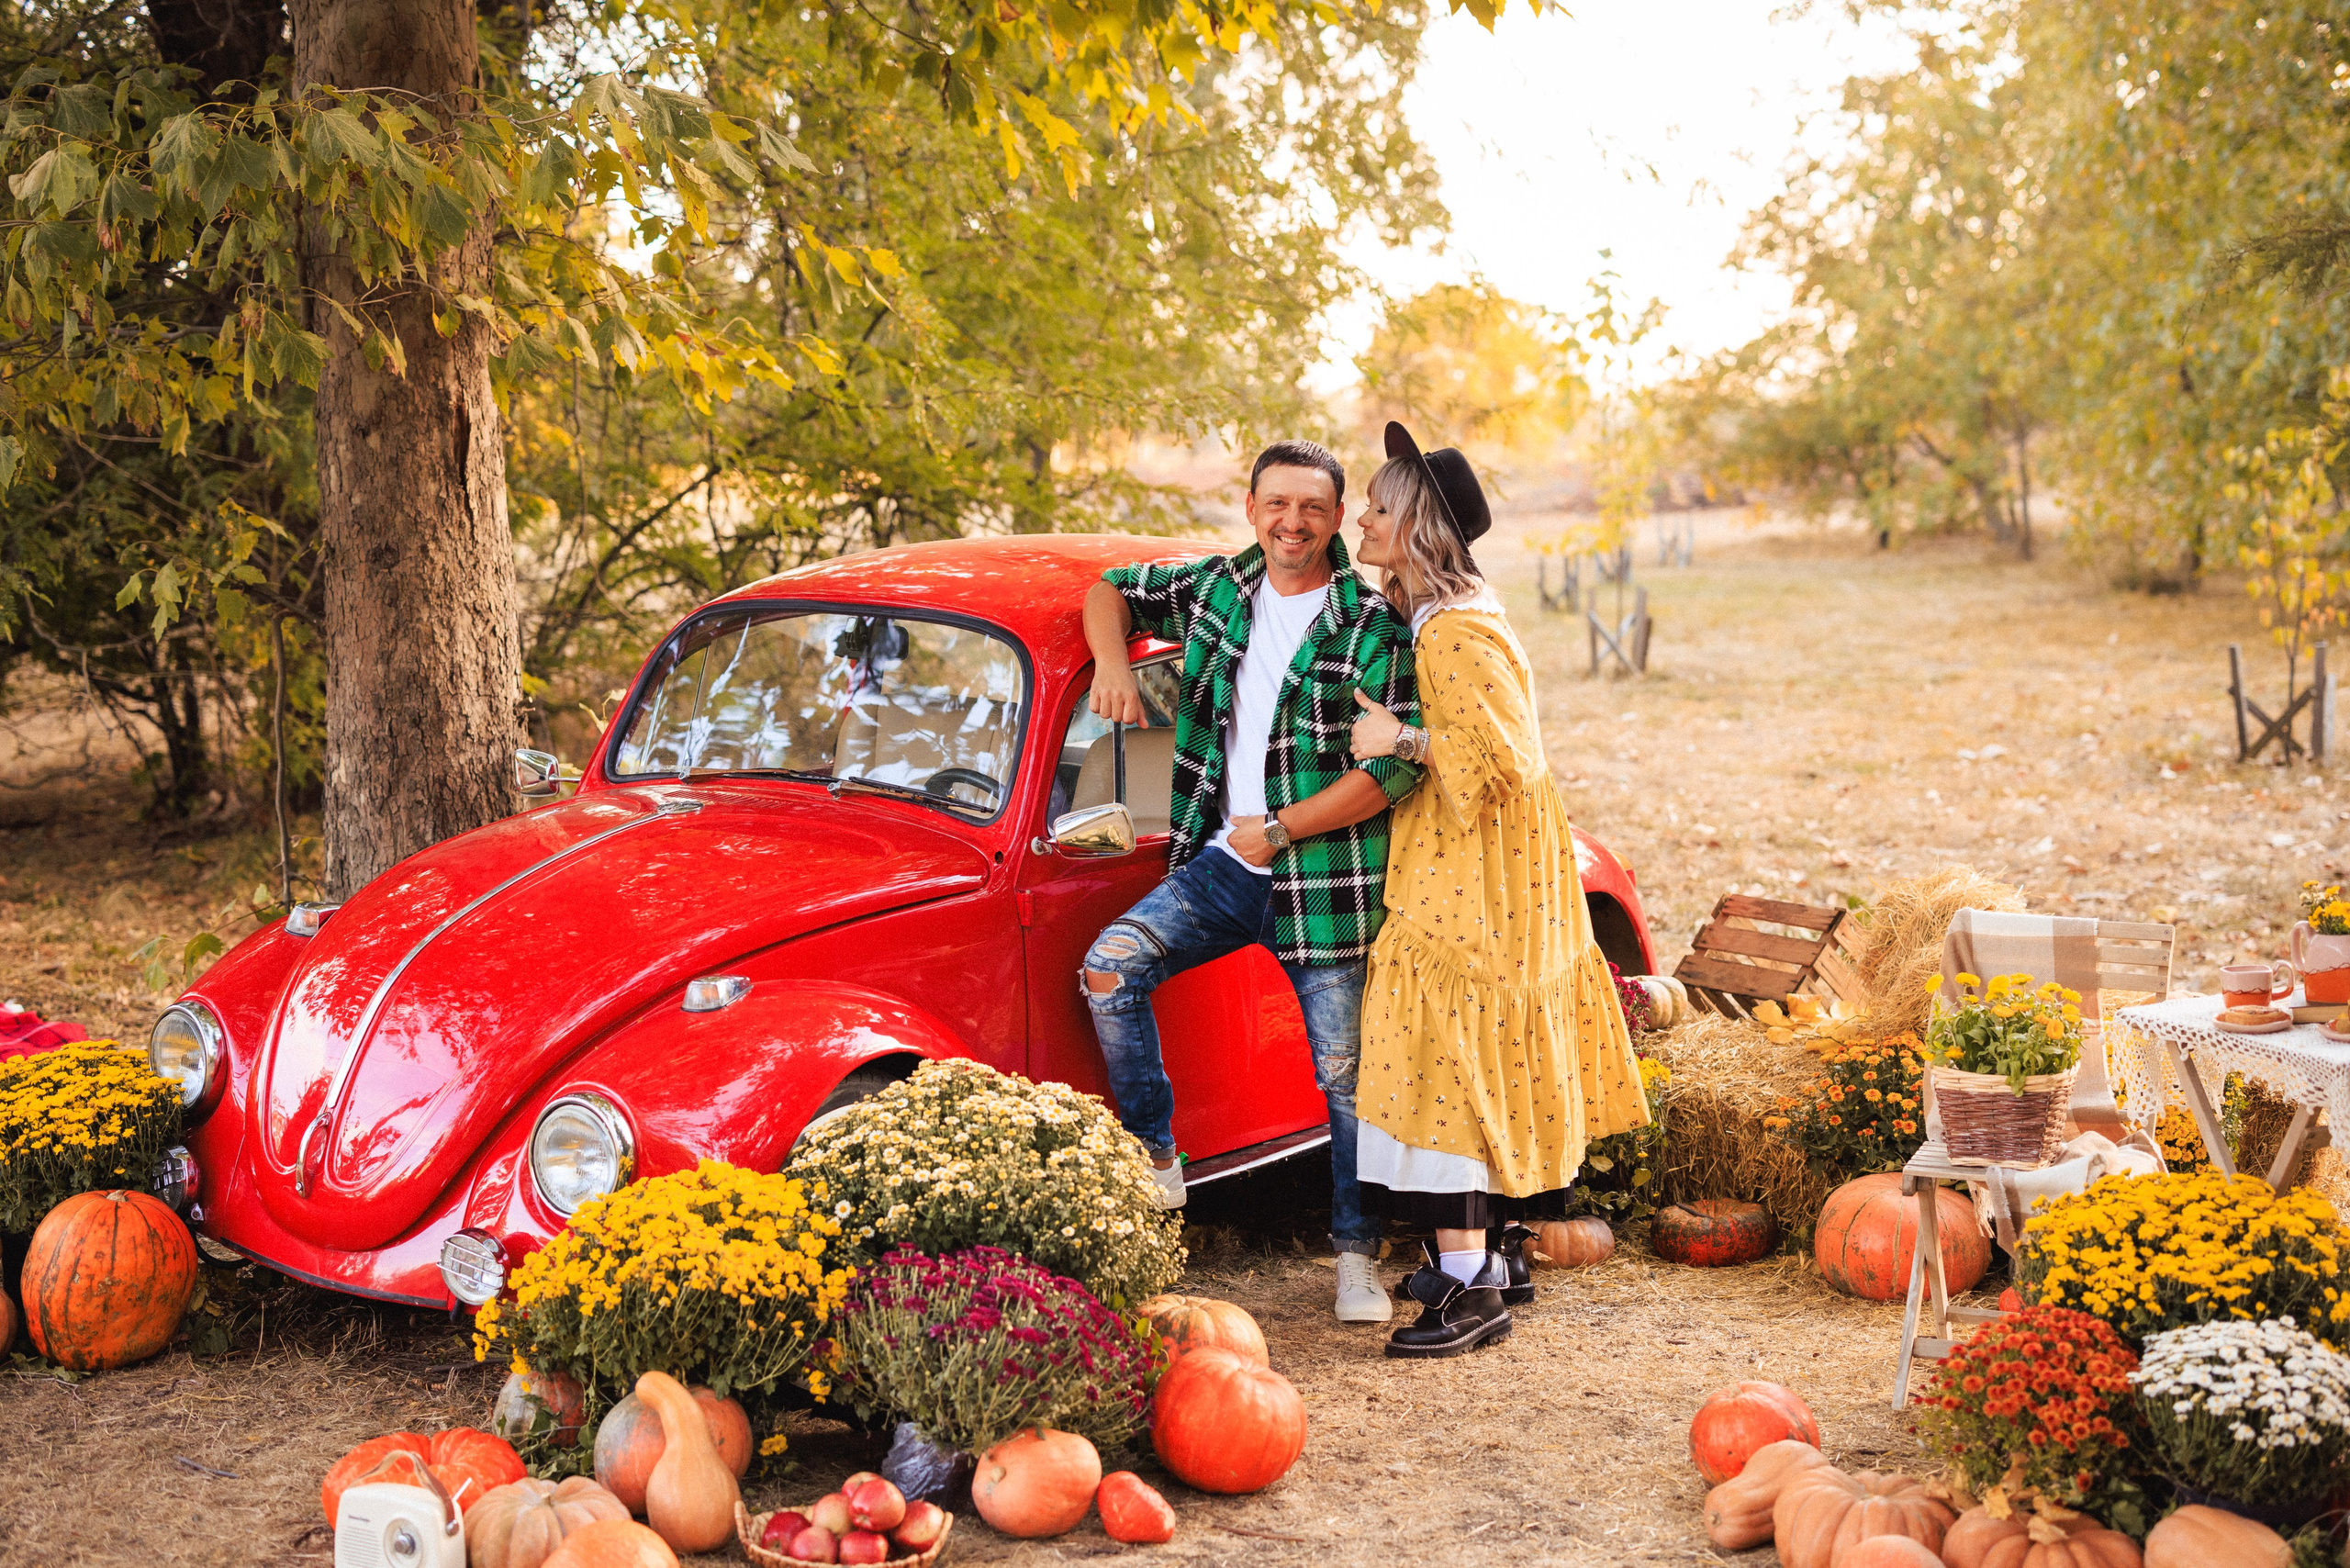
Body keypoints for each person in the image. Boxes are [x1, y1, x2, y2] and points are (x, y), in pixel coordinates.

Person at [1080, 438, 1424, 1325]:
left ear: (1339, 518)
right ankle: (1159, 1159)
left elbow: (1388, 773)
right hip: (1224, 867)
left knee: (1344, 1078)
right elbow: (1107, 590)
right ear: (1251, 507)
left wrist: (1278, 829)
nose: (1293, 523)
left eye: (1312, 507)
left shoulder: (1372, 624)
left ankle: (1356, 1259)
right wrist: (1115, 665)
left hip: (1324, 880)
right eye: (1278, 504)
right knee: (1111, 967)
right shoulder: (1216, 588)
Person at [1347, 421, 1651, 1358]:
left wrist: (1393, 740)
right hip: (1495, 863)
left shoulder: (1449, 632)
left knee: (1439, 1054)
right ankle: (1496, 1252)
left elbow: (1502, 759)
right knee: (1466, 1047)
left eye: (1379, 506)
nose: (1362, 516)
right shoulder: (1455, 609)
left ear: (1418, 527)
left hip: (1475, 871)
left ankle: (1473, 1285)